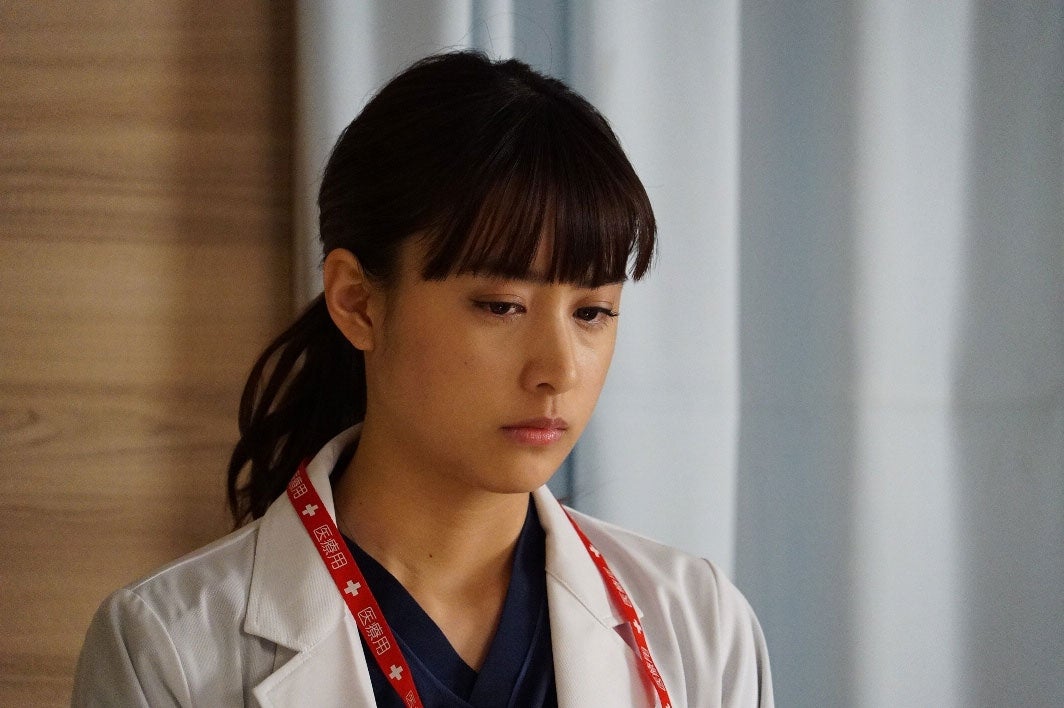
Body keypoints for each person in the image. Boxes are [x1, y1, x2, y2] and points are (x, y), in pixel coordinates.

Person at [72, 51, 773, 707]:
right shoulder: (167, 647)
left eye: (592, 312)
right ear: (358, 302)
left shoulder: (700, 626)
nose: (559, 370)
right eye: (502, 306)